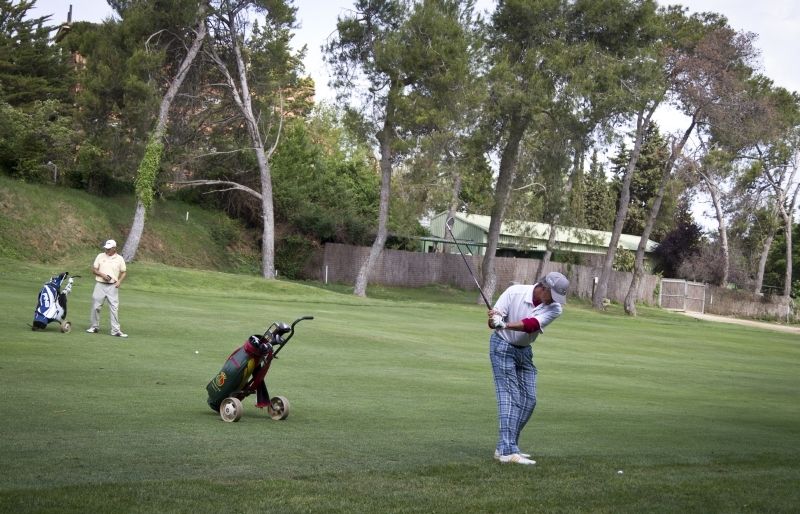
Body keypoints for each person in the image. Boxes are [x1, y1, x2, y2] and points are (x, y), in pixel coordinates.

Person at [487, 271, 569, 465]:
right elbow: (492, 323)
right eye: (553, 295)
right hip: (502, 347)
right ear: (544, 288)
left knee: (529, 401)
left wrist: (504, 324)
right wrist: (494, 319)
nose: (554, 301)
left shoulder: (555, 308)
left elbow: (531, 325)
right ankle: (508, 452)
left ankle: (504, 447)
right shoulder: (514, 292)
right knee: (510, 397)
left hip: (524, 351)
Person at [87, 239, 128, 337]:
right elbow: (94, 269)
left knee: (114, 308)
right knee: (96, 307)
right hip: (100, 285)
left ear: (114, 248)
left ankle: (116, 330)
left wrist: (119, 281)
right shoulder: (100, 256)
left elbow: (123, 272)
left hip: (112, 286)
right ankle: (94, 327)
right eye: (106, 248)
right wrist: (102, 274)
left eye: (109, 249)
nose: (107, 250)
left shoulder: (119, 259)